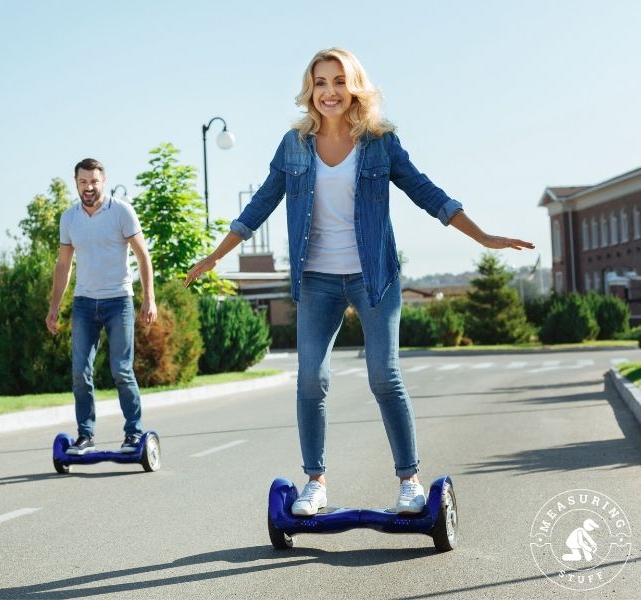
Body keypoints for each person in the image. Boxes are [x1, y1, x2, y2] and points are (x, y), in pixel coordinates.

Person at [185, 48, 533, 515]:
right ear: (310, 91)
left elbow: (427, 193)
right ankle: (316, 482)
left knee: (383, 376)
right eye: (320, 82)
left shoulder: (380, 142)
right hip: (316, 278)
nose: (329, 91)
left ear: (354, 87)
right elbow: (260, 205)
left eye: (338, 81)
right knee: (310, 378)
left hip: (375, 276)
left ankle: (409, 481)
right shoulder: (293, 145)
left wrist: (484, 236)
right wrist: (215, 256)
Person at [47, 158, 157, 455]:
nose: (89, 187)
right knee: (80, 372)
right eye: (83, 182)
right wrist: (54, 306)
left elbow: (142, 256)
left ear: (103, 181)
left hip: (118, 301)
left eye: (93, 181)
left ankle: (133, 433)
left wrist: (149, 298)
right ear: (76, 184)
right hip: (84, 303)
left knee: (121, 370)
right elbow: (63, 265)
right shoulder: (69, 218)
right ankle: (85, 435)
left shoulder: (121, 211)